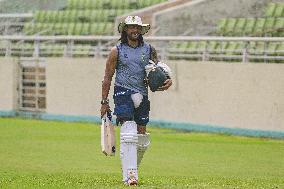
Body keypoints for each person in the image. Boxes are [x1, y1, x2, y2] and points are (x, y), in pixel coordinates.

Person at [100, 15, 172, 186]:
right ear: (125, 29)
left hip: (142, 94)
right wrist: (104, 102)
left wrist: (168, 80)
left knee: (141, 138)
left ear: (141, 30)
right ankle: (131, 175)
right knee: (128, 132)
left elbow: (159, 70)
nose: (134, 30)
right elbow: (107, 78)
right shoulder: (116, 51)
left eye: (137, 27)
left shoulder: (149, 50)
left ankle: (130, 171)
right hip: (122, 92)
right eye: (131, 27)